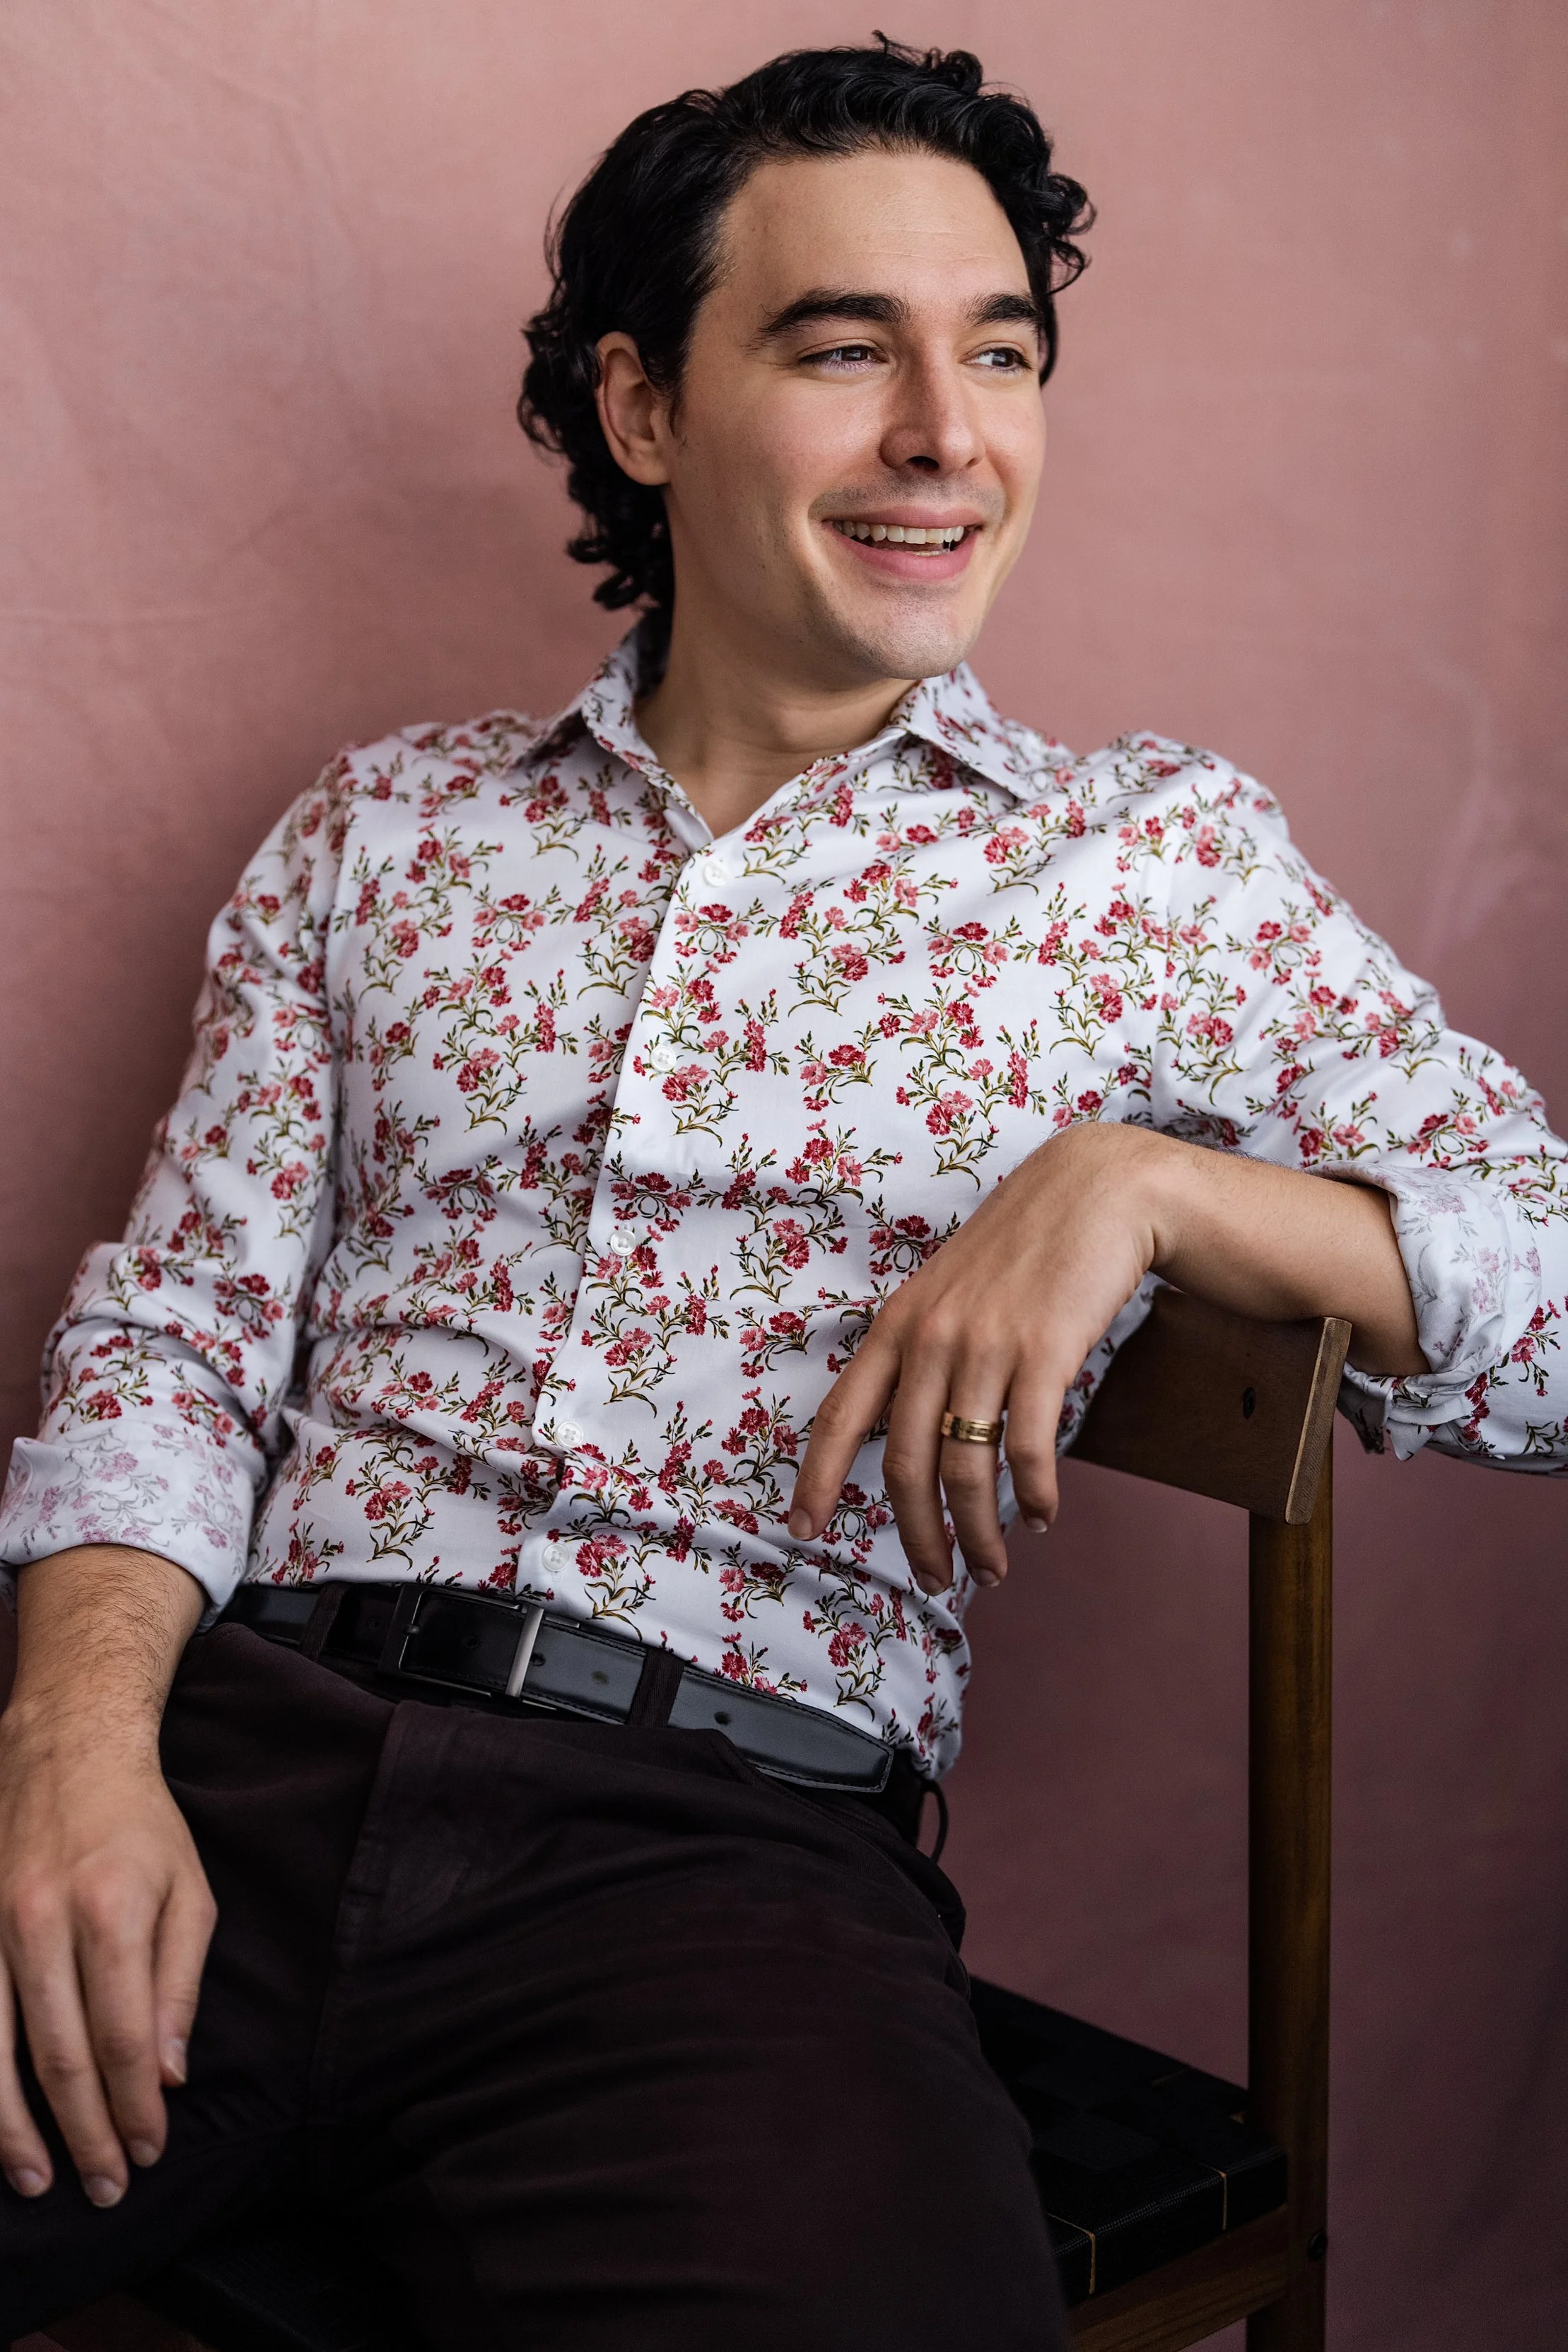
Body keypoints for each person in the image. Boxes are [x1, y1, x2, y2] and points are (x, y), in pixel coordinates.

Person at [0, 35, 1562, 2351]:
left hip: (713, 1874)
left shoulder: (1141, 873)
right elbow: (173, 1343)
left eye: (1002, 353)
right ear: (643, 409)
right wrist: (73, 1744)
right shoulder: (385, 832)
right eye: (849, 349)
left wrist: (1146, 1189)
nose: (951, 432)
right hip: (231, 1758)